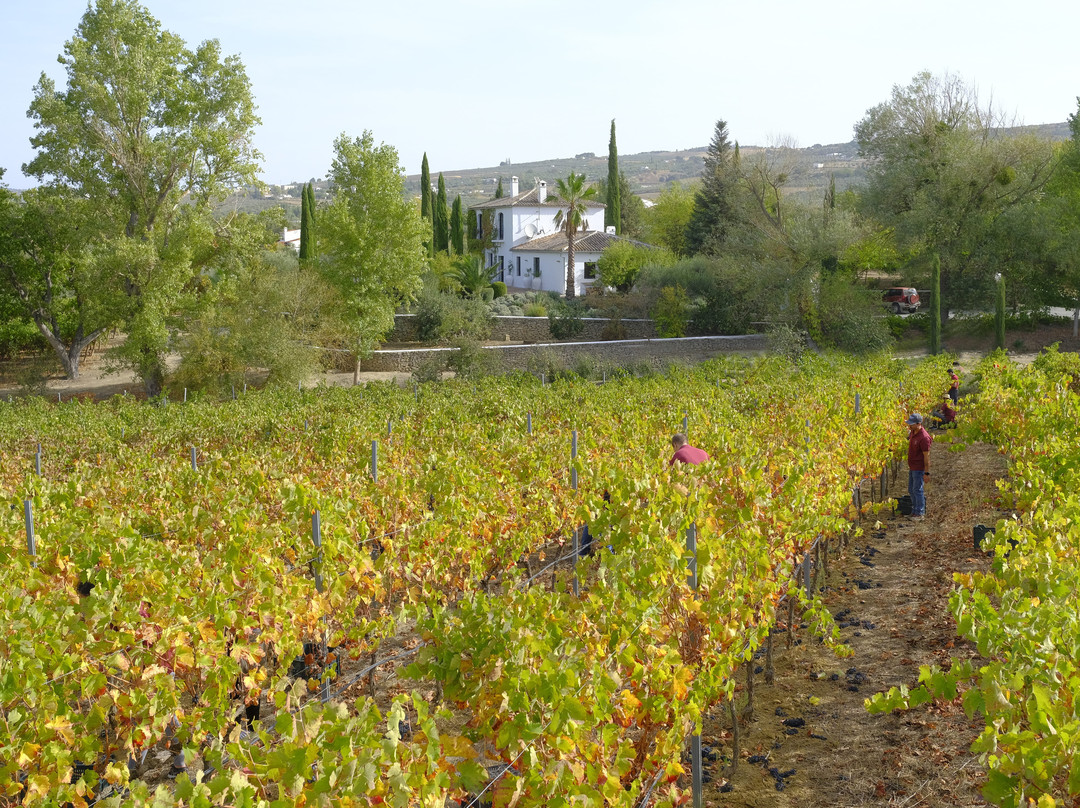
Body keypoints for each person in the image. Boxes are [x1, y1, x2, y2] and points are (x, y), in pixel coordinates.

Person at [906, 413, 933, 520]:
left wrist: (926, 473)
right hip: (912, 466)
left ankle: (920, 513)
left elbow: (926, 457)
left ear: (919, 424)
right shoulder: (913, 432)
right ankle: (915, 510)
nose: (910, 426)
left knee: (917, 490)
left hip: (919, 468)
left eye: (912, 424)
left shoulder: (924, 438)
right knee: (911, 489)